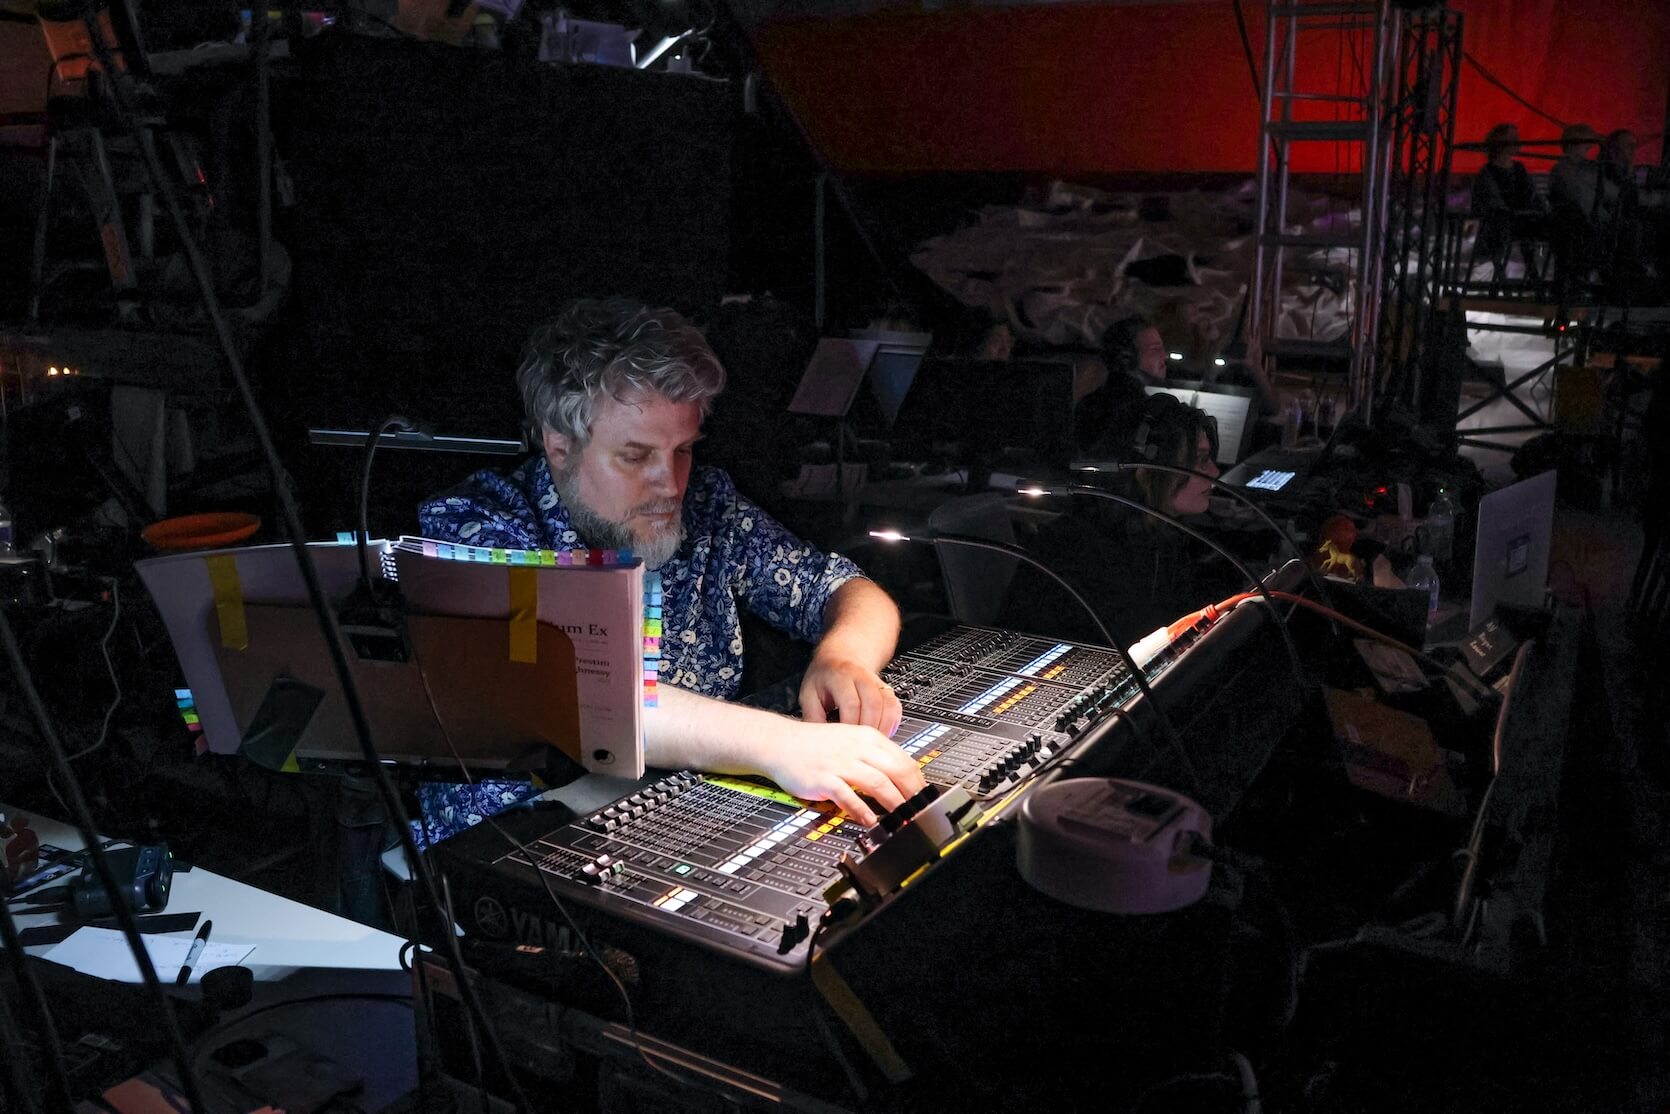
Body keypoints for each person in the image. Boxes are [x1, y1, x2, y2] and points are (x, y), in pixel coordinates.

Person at [415, 298, 924, 841]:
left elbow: (845, 588)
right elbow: (572, 695)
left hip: (682, 813)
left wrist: (842, 657)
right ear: (560, 447)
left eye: (682, 450)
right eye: (636, 456)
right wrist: (781, 744)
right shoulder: (478, 525)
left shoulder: (709, 505)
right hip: (523, 845)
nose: (670, 482)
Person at [1000, 392, 1226, 648]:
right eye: (1200, 460)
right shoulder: (1078, 552)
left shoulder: (1159, 536)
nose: (1214, 473)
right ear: (1147, 471)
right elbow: (1142, 642)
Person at [1469, 123, 1547, 284]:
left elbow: (1531, 193)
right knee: (1503, 228)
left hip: (1520, 218)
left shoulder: (1519, 168)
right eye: (1512, 139)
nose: (1517, 142)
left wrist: (1540, 210)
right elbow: (1492, 201)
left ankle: (1533, 274)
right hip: (1499, 221)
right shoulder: (1488, 173)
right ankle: (1505, 274)